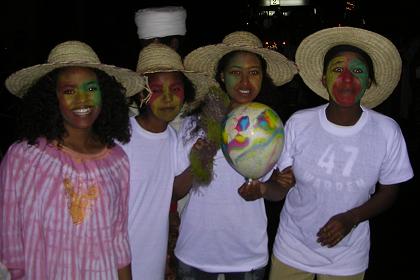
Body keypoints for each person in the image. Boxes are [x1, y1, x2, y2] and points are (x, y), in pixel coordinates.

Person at [265, 26, 414, 280]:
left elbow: (390, 190)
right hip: (292, 249)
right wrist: (264, 188)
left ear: (369, 81)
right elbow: (281, 188)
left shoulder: (387, 130)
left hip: (348, 258)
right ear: (324, 79)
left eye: (357, 71)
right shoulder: (299, 123)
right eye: (337, 70)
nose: (346, 79)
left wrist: (351, 218)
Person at [0, 40, 145, 280]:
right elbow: (8, 242)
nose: (82, 99)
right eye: (69, 91)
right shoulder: (24, 159)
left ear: (104, 93)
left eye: (90, 89)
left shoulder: (117, 161)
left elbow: (118, 240)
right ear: (52, 97)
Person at [172, 30, 297, 279]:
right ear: (221, 76)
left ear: (263, 77)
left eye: (253, 73)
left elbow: (280, 191)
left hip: (247, 254)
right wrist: (200, 161)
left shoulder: (272, 124)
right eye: (235, 72)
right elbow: (176, 191)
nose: (244, 82)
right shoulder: (194, 123)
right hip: (195, 250)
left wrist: (262, 189)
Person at [121, 42, 211, 280]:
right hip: (119, 256)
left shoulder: (172, 138)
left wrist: (197, 162)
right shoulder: (122, 136)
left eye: (176, 89)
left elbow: (176, 191)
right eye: (158, 90)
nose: (169, 98)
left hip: (153, 255)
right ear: (142, 94)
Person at [134, 7, 188, 278]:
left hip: (176, 234)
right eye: (148, 45)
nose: (154, 49)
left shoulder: (191, 111)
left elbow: (177, 187)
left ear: (176, 44)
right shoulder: (123, 123)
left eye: (163, 43)